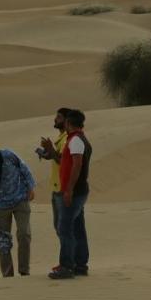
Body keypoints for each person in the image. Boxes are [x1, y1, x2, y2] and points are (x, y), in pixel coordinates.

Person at [0, 145, 37, 277]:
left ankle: (24, 271)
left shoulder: (8, 155)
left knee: (24, 234)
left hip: (21, 199)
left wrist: (31, 187)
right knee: (2, 241)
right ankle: (7, 275)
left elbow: (24, 168)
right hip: (1, 206)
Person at [49, 109, 92, 280]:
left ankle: (67, 266)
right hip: (77, 191)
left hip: (74, 192)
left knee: (64, 228)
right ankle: (80, 265)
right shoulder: (80, 139)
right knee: (77, 228)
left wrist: (69, 190)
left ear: (68, 123)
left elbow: (77, 166)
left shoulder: (75, 140)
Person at [37, 108, 71, 273]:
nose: (55, 119)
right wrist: (47, 152)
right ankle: (66, 261)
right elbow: (56, 157)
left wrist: (51, 149)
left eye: (58, 117)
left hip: (62, 189)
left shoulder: (67, 139)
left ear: (66, 120)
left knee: (63, 228)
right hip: (56, 188)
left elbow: (62, 161)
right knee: (59, 228)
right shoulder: (62, 138)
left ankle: (67, 263)